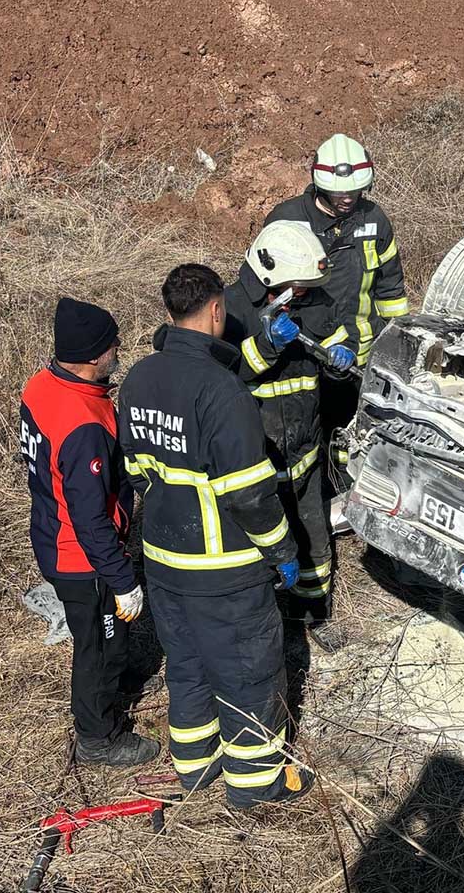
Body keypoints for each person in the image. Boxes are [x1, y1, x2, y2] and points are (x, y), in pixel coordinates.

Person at [118, 264, 311, 808]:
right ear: (217, 309)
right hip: (223, 567)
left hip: (161, 559)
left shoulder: (138, 378)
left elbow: (135, 470)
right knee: (247, 670)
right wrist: (283, 550)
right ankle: (257, 786)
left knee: (187, 666)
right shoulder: (221, 391)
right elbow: (250, 494)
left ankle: (196, 770)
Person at [19, 298, 160, 767]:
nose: (119, 349)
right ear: (94, 354)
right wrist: (122, 580)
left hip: (50, 532)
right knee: (98, 644)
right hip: (83, 558)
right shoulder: (83, 425)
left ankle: (115, 677)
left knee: (99, 636)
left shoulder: (41, 387)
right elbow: (90, 518)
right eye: (113, 344)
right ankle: (99, 735)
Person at [225, 220, 354, 651]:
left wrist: (341, 354)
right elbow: (222, 376)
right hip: (257, 461)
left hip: (304, 450)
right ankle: (267, 622)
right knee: (261, 545)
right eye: (295, 286)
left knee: (313, 535)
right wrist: (264, 346)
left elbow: (338, 335)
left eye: (305, 286)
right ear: (268, 275)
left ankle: (314, 615)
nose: (302, 293)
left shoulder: (314, 300)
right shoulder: (230, 311)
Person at [263, 134, 409, 489]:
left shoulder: (375, 220)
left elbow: (390, 287)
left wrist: (397, 344)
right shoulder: (287, 219)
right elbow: (264, 286)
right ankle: (311, 493)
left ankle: (346, 488)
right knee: (306, 430)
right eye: (338, 193)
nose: (347, 199)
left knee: (352, 428)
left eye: (355, 192)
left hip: (357, 349)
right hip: (302, 351)